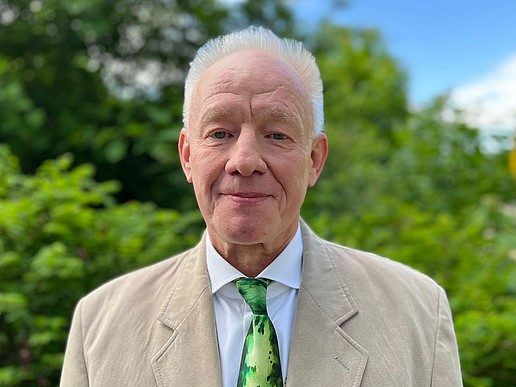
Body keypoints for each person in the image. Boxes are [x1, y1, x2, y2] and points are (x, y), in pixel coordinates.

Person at [60, 26, 462, 386]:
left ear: (314, 159)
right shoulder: (98, 325)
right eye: (220, 132)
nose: (245, 161)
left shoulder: (419, 313)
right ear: (187, 156)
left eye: (276, 134)